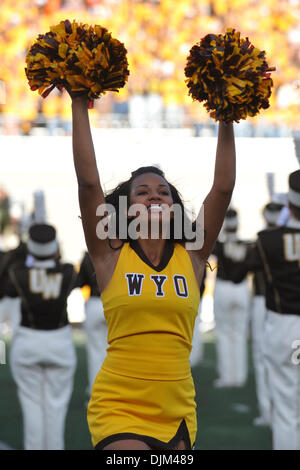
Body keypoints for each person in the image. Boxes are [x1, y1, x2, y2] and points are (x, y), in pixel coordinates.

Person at [68, 91, 236, 450]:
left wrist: (227, 116)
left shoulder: (191, 255)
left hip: (177, 410)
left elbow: (222, 188)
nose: (155, 196)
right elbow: (88, 184)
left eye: (163, 192)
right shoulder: (109, 254)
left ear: (174, 207)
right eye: (143, 192)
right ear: (127, 209)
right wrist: (79, 103)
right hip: (119, 407)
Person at [5, 223, 77, 450]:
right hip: (60, 344)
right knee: (56, 409)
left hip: (28, 342)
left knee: (32, 407)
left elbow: (6, 288)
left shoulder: (18, 273)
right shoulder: (67, 271)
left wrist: (20, 252)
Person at [243, 170, 300, 450]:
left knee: (287, 408)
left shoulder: (266, 240)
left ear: (288, 206)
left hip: (284, 326)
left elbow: (244, 266)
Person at [249, 201, 284, 427]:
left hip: (269, 305)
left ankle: (270, 414)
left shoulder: (264, 241)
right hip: (285, 307)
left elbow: (242, 268)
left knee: (265, 359)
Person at [212, 208, 251, 388]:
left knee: (224, 333)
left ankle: (227, 377)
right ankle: (239, 377)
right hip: (241, 289)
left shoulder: (219, 244)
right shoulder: (247, 244)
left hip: (223, 288)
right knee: (239, 334)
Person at [77, 251, 108, 398]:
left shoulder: (90, 254)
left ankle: (96, 394)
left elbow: (80, 282)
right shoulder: (124, 251)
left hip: (95, 304)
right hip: (116, 303)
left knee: (95, 354)